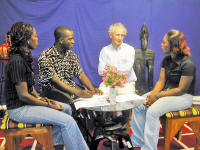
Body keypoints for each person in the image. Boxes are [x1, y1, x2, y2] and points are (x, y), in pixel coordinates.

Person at [4, 22, 89, 150]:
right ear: (27, 40)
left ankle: (54, 144)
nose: (37, 38)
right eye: (35, 36)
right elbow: (23, 95)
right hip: (19, 109)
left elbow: (29, 86)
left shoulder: (24, 57)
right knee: (68, 121)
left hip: (26, 104)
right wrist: (47, 104)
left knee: (66, 108)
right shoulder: (17, 61)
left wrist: (41, 98)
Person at [130, 29, 196, 150]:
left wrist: (158, 96)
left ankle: (149, 148)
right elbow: (161, 81)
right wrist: (153, 94)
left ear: (173, 45)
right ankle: (138, 141)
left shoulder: (188, 63)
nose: (161, 44)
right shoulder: (166, 60)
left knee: (152, 112)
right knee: (138, 104)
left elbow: (181, 89)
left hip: (183, 97)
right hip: (166, 92)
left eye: (164, 42)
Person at [38, 26, 102, 104]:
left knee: (90, 98)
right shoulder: (45, 56)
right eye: (70, 39)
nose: (73, 41)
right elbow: (55, 81)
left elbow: (80, 75)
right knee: (72, 102)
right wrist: (78, 93)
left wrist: (92, 90)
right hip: (52, 90)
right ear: (61, 40)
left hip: (71, 88)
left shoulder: (71, 55)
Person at [98, 23, 137, 95]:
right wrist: (117, 69)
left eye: (122, 35)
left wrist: (111, 68)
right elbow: (100, 71)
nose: (120, 38)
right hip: (109, 84)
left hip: (126, 84)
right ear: (110, 35)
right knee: (101, 97)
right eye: (117, 35)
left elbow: (127, 70)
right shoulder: (104, 50)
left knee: (126, 102)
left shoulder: (130, 49)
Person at [134, 24, 155, 95]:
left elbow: (150, 72)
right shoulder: (135, 52)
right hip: (135, 87)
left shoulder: (151, 53)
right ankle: (137, 88)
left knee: (150, 68)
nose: (144, 35)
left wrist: (151, 90)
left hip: (145, 89)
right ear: (140, 36)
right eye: (142, 33)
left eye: (145, 33)